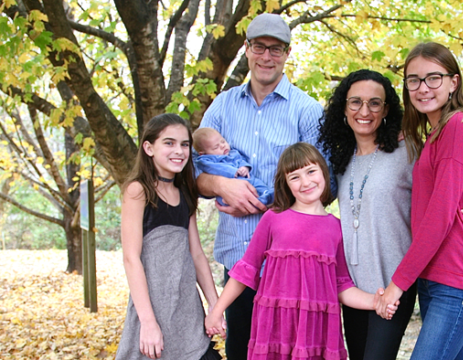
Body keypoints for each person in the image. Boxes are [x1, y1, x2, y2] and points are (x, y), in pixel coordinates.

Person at [318, 70, 463, 360]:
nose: (365, 111)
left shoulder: (408, 151)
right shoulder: (339, 158)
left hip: (394, 284)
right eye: (355, 102)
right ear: (343, 108)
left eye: (375, 103)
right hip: (352, 289)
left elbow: (448, 194)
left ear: (387, 109)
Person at [196, 13, 328, 360]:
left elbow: (325, 183)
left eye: (276, 49)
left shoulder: (307, 110)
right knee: (242, 352)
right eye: (259, 47)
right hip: (239, 258)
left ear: (287, 53)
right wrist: (222, 185)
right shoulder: (222, 105)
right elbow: (191, 172)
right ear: (247, 49)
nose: (267, 56)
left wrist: (271, 204)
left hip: (291, 265)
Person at [205, 143, 396, 359]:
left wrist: (375, 301)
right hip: (275, 328)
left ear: (324, 172)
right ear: (285, 183)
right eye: (294, 177)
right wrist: (217, 311)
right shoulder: (273, 218)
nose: (305, 182)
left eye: (311, 171)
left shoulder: (335, 228)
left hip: (316, 332)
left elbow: (342, 285)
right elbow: (245, 271)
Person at [377, 42, 463, 360]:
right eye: (413, 80)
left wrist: (397, 285)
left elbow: (440, 216)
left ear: (453, 82)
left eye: (433, 78)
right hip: (436, 278)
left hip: (458, 279)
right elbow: (462, 196)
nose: (422, 87)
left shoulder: (458, 128)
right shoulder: (436, 133)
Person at [116, 114, 221, 360]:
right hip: (153, 309)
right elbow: (131, 258)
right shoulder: (138, 191)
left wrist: (214, 305)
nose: (179, 151)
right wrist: (148, 322)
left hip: (187, 311)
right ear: (149, 147)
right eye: (169, 143)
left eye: (185, 144)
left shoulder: (185, 193)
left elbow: (196, 254)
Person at [193, 127, 274, 206]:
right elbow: (217, 168)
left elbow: (241, 159)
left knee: (257, 183)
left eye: (223, 141)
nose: (222, 146)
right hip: (230, 188)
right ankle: (257, 202)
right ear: (203, 153)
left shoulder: (232, 153)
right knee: (230, 198)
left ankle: (267, 194)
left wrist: (244, 167)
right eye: (216, 147)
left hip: (246, 178)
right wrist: (232, 171)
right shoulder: (206, 161)